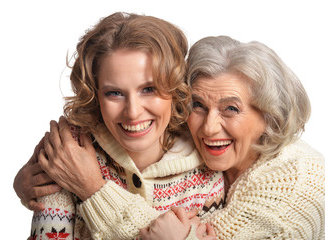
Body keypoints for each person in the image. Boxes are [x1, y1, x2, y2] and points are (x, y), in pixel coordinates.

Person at [15, 12, 225, 240]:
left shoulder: (207, 167)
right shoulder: (67, 154)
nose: (133, 112)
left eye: (149, 89)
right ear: (95, 96)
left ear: (175, 89)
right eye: (114, 93)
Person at [140, 36, 325, 239]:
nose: (209, 128)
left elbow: (151, 232)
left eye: (231, 109)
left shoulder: (302, 180)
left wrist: (104, 190)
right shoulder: (186, 154)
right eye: (198, 105)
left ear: (270, 116)